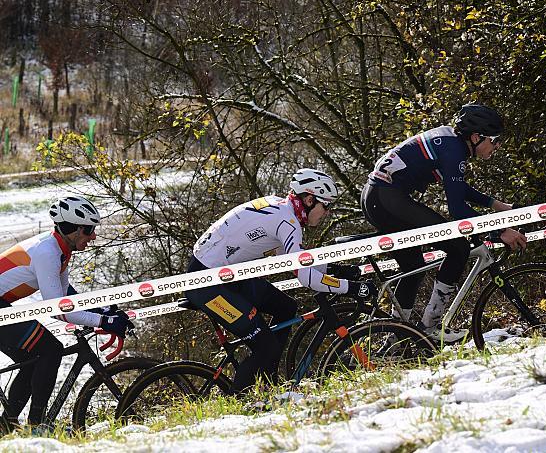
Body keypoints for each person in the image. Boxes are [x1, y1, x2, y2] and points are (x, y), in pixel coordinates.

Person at [185, 168, 376, 393]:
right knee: (266, 347)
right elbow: (307, 278)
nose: (327, 213)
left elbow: (290, 259)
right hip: (206, 284)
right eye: (326, 206)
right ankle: (239, 405)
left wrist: (337, 269)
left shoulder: (281, 208)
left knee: (286, 307)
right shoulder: (288, 223)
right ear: (309, 199)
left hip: (225, 274)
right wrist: (351, 288)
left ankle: (268, 381)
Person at [361, 103, 527, 343]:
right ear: (475, 137)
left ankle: (399, 338)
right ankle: (430, 326)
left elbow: (457, 188)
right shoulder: (453, 150)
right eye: (494, 140)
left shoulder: (450, 143)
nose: (497, 146)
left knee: (413, 267)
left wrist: (495, 205)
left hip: (379, 198)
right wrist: (500, 230)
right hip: (387, 199)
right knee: (458, 248)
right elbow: (457, 209)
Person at [0, 196, 133, 431]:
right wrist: (103, 321)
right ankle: (38, 426)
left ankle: (6, 428)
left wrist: (101, 309)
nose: (93, 236)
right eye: (89, 230)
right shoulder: (47, 252)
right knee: (50, 349)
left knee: (31, 361)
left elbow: (66, 295)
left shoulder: (59, 248)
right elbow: (57, 309)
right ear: (73, 229)